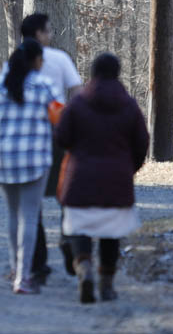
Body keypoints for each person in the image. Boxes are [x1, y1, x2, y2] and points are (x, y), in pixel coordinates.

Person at [55, 52, 149, 304]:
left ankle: (84, 267)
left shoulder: (78, 103)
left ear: (93, 73)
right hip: (116, 178)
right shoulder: (129, 105)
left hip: (80, 178)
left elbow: (62, 137)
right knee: (111, 232)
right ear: (117, 72)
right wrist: (129, 168)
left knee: (80, 227)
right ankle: (106, 284)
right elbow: (142, 143)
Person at [0, 40, 54, 295]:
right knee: (29, 216)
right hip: (36, 161)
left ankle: (16, 269)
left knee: (13, 216)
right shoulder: (44, 87)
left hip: (5, 160)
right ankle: (24, 278)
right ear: (35, 61)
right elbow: (60, 121)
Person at [19, 13, 82, 283]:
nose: (51, 35)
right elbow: (77, 92)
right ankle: (70, 242)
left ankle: (38, 262)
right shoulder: (59, 58)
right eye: (48, 30)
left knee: (32, 201)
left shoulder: (14, 61)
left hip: (27, 134)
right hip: (57, 131)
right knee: (66, 190)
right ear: (39, 33)